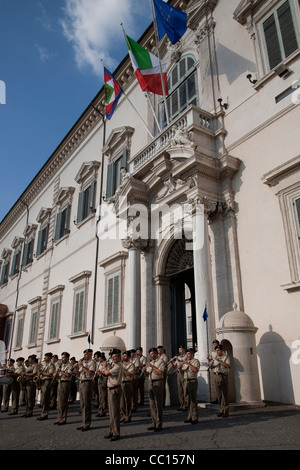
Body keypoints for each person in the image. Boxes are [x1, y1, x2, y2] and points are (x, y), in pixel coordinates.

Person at [103, 348, 123, 441]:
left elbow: (107, 373)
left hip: (115, 390)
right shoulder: (114, 365)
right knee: (111, 412)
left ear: (119, 357)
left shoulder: (118, 366)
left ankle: (116, 433)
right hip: (110, 389)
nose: (113, 358)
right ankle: (111, 431)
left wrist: (104, 366)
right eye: (112, 356)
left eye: (115, 356)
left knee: (115, 412)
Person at [145, 347, 165, 432]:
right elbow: (147, 373)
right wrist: (144, 370)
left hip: (158, 382)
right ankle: (154, 422)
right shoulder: (150, 363)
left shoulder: (161, 362)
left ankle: (159, 423)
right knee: (152, 404)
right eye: (150, 354)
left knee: (158, 403)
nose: (152, 355)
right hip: (150, 382)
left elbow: (160, 372)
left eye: (153, 354)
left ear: (157, 354)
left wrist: (152, 367)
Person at [76, 349, 96, 431]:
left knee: (87, 404)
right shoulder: (83, 363)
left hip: (87, 383)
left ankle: (87, 423)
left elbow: (90, 373)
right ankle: (83, 423)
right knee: (82, 404)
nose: (85, 356)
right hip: (81, 382)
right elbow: (78, 374)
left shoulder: (92, 362)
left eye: (86, 354)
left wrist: (82, 366)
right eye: (84, 354)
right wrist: (77, 367)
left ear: (90, 355)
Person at [180, 348, 200, 424]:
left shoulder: (195, 361)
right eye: (187, 354)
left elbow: (195, 370)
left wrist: (188, 364)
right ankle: (190, 416)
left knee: (193, 399)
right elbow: (182, 371)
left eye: (189, 354)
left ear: (192, 354)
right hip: (186, 381)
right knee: (187, 400)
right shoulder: (185, 361)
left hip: (192, 381)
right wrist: (180, 366)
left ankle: (195, 417)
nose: (187, 356)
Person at [210, 344, 230, 417]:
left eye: (218, 350)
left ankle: (226, 411)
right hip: (216, 375)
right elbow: (211, 367)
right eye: (216, 350)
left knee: (224, 394)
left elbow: (227, 366)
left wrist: (219, 361)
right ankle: (221, 410)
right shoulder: (215, 358)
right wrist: (211, 362)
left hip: (223, 376)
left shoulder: (225, 357)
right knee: (219, 395)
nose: (217, 352)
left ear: (221, 350)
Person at [54, 352, 73, 425]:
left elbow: (68, 374)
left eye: (64, 357)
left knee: (64, 401)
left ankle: (63, 418)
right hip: (60, 382)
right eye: (62, 357)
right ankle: (59, 418)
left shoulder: (69, 365)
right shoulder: (61, 365)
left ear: (67, 358)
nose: (62, 359)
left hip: (65, 383)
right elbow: (59, 374)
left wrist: (61, 371)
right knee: (59, 402)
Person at [37, 352, 55, 421]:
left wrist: (42, 373)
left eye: (47, 357)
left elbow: (50, 374)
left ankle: (45, 413)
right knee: (43, 397)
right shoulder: (43, 364)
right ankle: (43, 413)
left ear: (50, 357)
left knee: (45, 397)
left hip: (47, 380)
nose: (45, 358)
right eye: (45, 357)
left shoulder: (51, 364)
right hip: (42, 380)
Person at [171, 345, 189, 411]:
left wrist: (177, 359)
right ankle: (182, 405)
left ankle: (186, 405)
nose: (179, 351)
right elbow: (174, 366)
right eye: (179, 350)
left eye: (181, 350)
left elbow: (182, 362)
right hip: (178, 374)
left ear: (183, 350)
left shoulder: (186, 356)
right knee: (180, 390)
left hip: (184, 373)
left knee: (185, 390)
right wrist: (172, 361)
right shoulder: (178, 357)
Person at [121, 350, 134, 423]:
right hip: (121, 382)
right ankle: (123, 415)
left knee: (127, 400)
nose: (123, 357)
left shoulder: (131, 364)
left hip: (128, 383)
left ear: (129, 356)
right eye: (123, 356)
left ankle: (128, 416)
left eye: (125, 356)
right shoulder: (121, 364)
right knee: (122, 401)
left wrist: (122, 370)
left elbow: (130, 374)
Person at [95, 352, 107, 417]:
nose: (99, 359)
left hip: (103, 379)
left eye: (100, 358)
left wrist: (100, 372)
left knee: (103, 396)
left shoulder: (105, 363)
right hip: (99, 378)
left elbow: (106, 372)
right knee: (100, 395)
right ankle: (100, 410)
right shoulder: (99, 364)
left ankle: (103, 410)